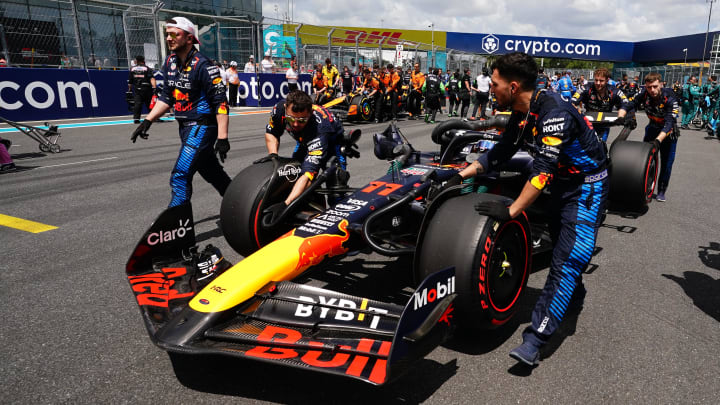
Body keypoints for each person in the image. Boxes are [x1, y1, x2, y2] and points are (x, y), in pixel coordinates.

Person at [447, 52, 608, 366]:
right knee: (566, 253)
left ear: (513, 86)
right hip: (562, 185)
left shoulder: (554, 114)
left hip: (587, 188)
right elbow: (504, 150)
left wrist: (512, 211)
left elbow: (541, 172)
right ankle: (574, 295)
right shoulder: (523, 109)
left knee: (566, 262)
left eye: (494, 84)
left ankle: (535, 339)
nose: (490, 88)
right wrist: (460, 173)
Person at [130, 16, 231, 208]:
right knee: (212, 172)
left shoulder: (204, 65)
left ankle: (176, 224)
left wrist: (223, 137)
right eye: (167, 34)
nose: (169, 38)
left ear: (189, 38)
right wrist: (148, 121)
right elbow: (167, 97)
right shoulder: (170, 61)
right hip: (185, 128)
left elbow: (221, 103)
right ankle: (242, 203)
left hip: (202, 126)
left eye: (174, 34)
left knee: (180, 175)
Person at [259, 90, 346, 218]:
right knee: (293, 171)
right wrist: (273, 155)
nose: (295, 124)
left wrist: (285, 205)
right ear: (285, 108)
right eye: (291, 118)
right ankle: (300, 200)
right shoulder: (279, 109)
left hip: (332, 143)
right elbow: (272, 132)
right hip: (305, 140)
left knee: (335, 187)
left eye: (301, 120)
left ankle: (339, 218)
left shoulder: (319, 128)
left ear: (310, 114)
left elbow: (307, 176)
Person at [630, 72, 680, 202]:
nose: (652, 90)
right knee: (644, 160)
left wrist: (658, 140)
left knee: (667, 164)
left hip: (668, 133)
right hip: (652, 128)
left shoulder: (670, 97)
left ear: (661, 84)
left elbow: (669, 122)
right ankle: (642, 185)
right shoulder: (644, 94)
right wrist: (630, 117)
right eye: (649, 87)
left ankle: (662, 190)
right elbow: (630, 104)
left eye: (655, 86)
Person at [571, 67, 631, 142]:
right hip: (588, 124)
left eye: (601, 81)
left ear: (607, 80)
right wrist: (574, 109)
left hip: (604, 126)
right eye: (596, 80)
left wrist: (622, 114)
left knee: (600, 145)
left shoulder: (614, 91)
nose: (598, 83)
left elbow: (626, 103)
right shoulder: (586, 88)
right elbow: (572, 101)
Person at [127, 55, 157, 124]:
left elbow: (130, 82)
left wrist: (129, 90)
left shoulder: (132, 69)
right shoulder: (147, 68)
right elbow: (152, 78)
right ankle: (153, 118)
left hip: (137, 89)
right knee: (150, 104)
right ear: (143, 60)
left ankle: (136, 118)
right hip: (147, 88)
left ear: (136, 61)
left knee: (137, 104)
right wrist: (154, 88)